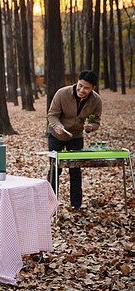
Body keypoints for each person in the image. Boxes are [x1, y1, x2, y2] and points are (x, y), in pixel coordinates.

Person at [47, 70, 102, 211]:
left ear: (93, 88)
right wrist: (57, 126)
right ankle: (49, 204)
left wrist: (90, 128)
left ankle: (76, 205)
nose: (82, 90)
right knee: (55, 170)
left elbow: (96, 122)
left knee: (75, 170)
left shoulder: (96, 101)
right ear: (77, 82)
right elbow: (52, 115)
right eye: (80, 85)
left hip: (76, 137)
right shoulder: (62, 93)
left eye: (86, 88)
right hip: (56, 136)